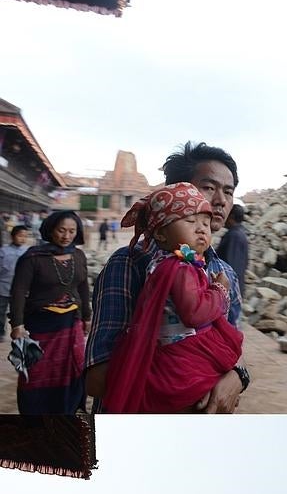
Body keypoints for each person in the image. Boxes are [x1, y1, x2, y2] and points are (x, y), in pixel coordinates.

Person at [85, 142, 247, 413]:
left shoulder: (225, 273)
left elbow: (231, 346)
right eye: (209, 188)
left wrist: (239, 376)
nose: (221, 200)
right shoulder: (131, 264)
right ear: (175, 191)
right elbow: (98, 377)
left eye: (228, 191)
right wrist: (189, 380)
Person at [9, 211, 91, 413]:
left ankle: (67, 410)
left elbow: (83, 288)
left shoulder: (78, 255)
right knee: (37, 372)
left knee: (73, 368)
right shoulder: (33, 257)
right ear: (51, 230)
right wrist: (17, 325)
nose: (66, 236)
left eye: (72, 231)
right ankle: (36, 415)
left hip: (71, 323)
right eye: (61, 230)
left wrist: (87, 317)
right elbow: (18, 291)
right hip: (41, 325)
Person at [0, 224, 29, 340]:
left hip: (21, 290)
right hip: (4, 287)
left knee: (18, 311)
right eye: (20, 236)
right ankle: (1, 333)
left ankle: (19, 332)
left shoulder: (27, 252)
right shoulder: (3, 251)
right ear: (12, 236)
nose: (23, 238)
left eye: (25, 236)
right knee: (1, 311)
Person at [217, 203, 249, 298]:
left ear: (231, 217)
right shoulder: (240, 234)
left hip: (229, 292)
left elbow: (231, 266)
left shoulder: (234, 236)